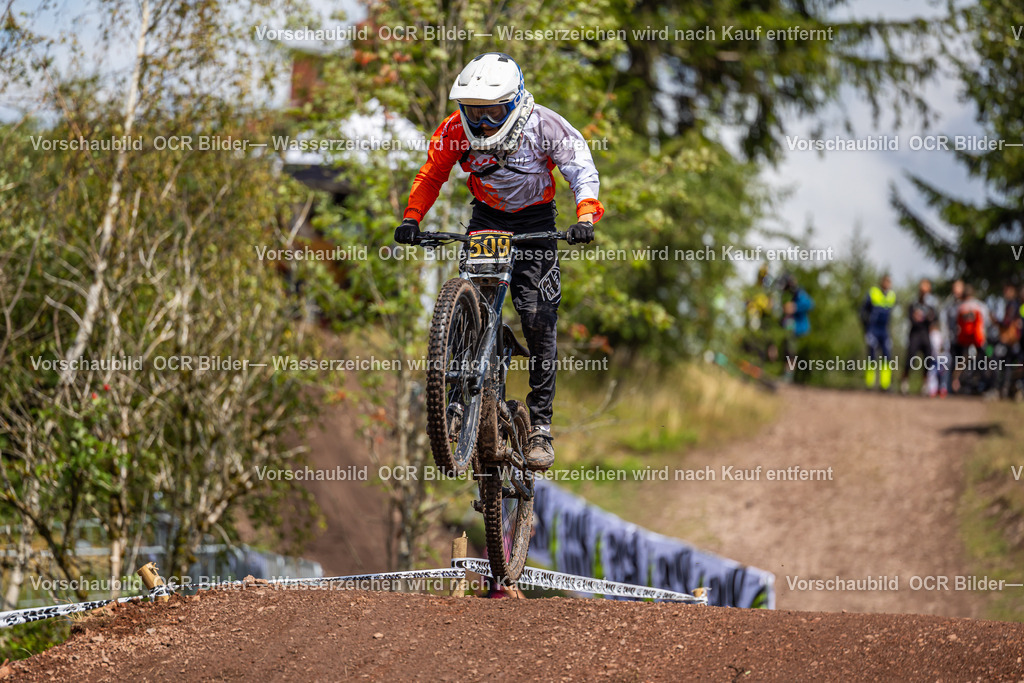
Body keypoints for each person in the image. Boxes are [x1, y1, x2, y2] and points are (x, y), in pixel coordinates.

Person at [393, 53, 604, 470]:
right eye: (474, 111)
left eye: (492, 111)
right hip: (486, 218)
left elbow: (581, 168)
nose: (483, 121)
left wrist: (584, 216)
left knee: (537, 316)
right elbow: (432, 173)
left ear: (514, 101)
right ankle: (456, 404)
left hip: (536, 222)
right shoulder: (456, 129)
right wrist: (411, 218)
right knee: (469, 302)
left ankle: (540, 425)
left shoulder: (544, 124)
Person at [901, 278, 938, 395]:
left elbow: (933, 319)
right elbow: (912, 319)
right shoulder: (913, 304)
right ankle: (904, 381)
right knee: (910, 357)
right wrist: (922, 319)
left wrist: (924, 318)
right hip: (915, 334)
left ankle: (925, 384)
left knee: (928, 357)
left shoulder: (931, 306)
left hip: (925, 334)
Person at [860, 274, 896, 390]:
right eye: (885, 281)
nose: (887, 284)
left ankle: (885, 385)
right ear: (881, 282)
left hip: (884, 331)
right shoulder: (873, 292)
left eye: (889, 282)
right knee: (872, 355)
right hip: (873, 329)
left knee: (887, 356)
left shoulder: (892, 296)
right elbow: (862, 312)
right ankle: (869, 384)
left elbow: (890, 316)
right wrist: (866, 330)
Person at [951, 284, 987, 393]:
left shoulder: (959, 307)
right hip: (977, 340)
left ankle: (957, 383)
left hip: (963, 340)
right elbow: (985, 322)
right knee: (981, 362)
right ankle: (979, 384)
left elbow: (955, 324)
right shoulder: (979, 306)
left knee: (962, 362)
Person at [779, 274, 813, 382]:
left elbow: (810, 304)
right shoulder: (785, 294)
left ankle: (789, 375)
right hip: (788, 327)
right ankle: (787, 374)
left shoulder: (799, 292)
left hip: (797, 327)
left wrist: (795, 307)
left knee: (791, 351)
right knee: (787, 350)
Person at [994, 283, 1023, 399]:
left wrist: (997, 321)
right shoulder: (1012, 305)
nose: (1006, 292)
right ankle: (1005, 389)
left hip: (1010, 340)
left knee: (999, 361)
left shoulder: (1013, 305)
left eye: (1008, 290)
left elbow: (1008, 322)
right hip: (1012, 341)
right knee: (1008, 364)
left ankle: (1001, 388)